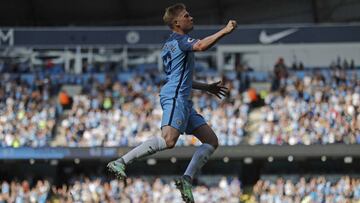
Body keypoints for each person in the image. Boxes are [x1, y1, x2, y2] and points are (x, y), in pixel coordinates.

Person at [107, 3, 237, 202]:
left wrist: (206, 87)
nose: (191, 18)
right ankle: (121, 161)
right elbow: (201, 46)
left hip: (182, 98)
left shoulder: (170, 44)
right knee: (168, 141)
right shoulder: (181, 40)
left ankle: (186, 179)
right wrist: (225, 31)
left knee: (211, 141)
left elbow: (180, 78)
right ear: (177, 22)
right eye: (187, 15)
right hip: (175, 97)